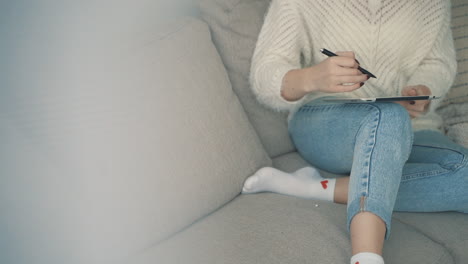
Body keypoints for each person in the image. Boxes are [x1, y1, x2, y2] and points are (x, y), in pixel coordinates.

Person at [242, 1, 468, 264]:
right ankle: (366, 257)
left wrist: (422, 91)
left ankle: (318, 187)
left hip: (412, 127)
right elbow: (264, 73)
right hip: (327, 122)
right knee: (387, 115)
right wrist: (312, 78)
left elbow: (439, 62)